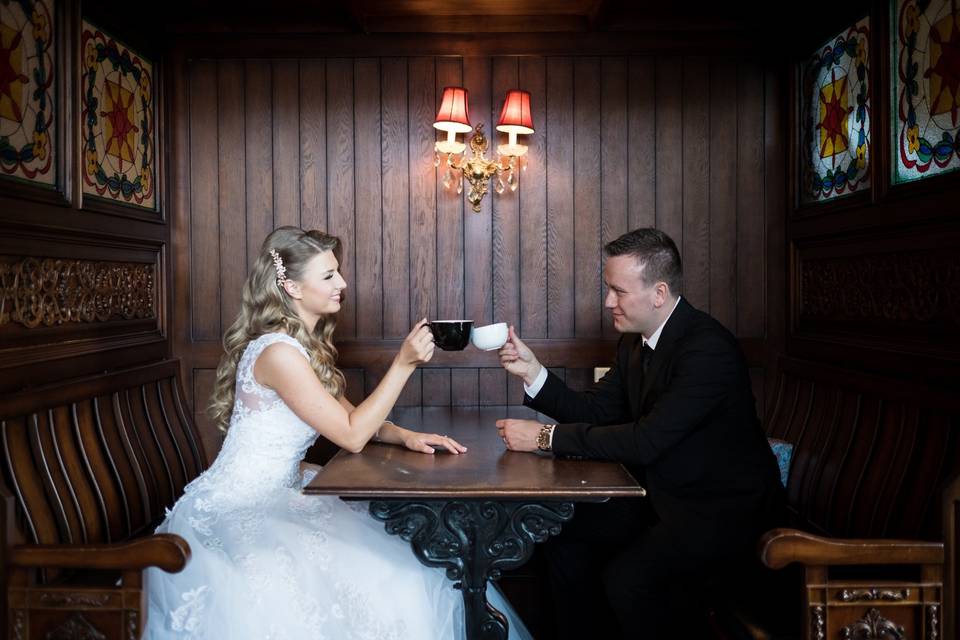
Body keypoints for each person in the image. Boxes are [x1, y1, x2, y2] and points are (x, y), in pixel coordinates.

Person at [145, 226, 531, 639]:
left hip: (289, 490)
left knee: (417, 561)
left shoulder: (301, 346)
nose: (342, 284)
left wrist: (405, 436)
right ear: (291, 286)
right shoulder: (278, 353)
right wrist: (403, 364)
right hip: (242, 506)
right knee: (397, 575)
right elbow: (351, 436)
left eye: (337, 273)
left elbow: (354, 417)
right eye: (328, 276)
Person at [495, 228, 784, 639]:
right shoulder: (634, 343)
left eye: (618, 291)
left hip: (720, 513)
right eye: (608, 289)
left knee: (629, 580)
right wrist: (532, 371)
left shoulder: (707, 348)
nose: (608, 302)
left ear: (659, 293)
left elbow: (646, 441)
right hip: (662, 497)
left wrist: (545, 438)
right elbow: (596, 410)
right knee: (562, 538)